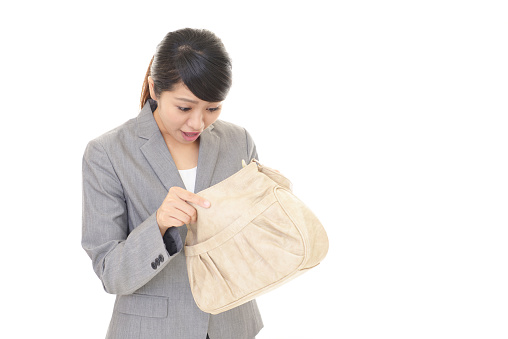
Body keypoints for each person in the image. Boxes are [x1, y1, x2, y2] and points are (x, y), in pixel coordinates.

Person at [82, 28, 263, 339]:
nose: (198, 123)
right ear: (154, 89)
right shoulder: (107, 153)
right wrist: (159, 225)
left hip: (232, 326)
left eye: (212, 108)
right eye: (184, 107)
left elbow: (255, 239)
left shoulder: (238, 141)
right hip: (151, 330)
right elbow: (110, 273)